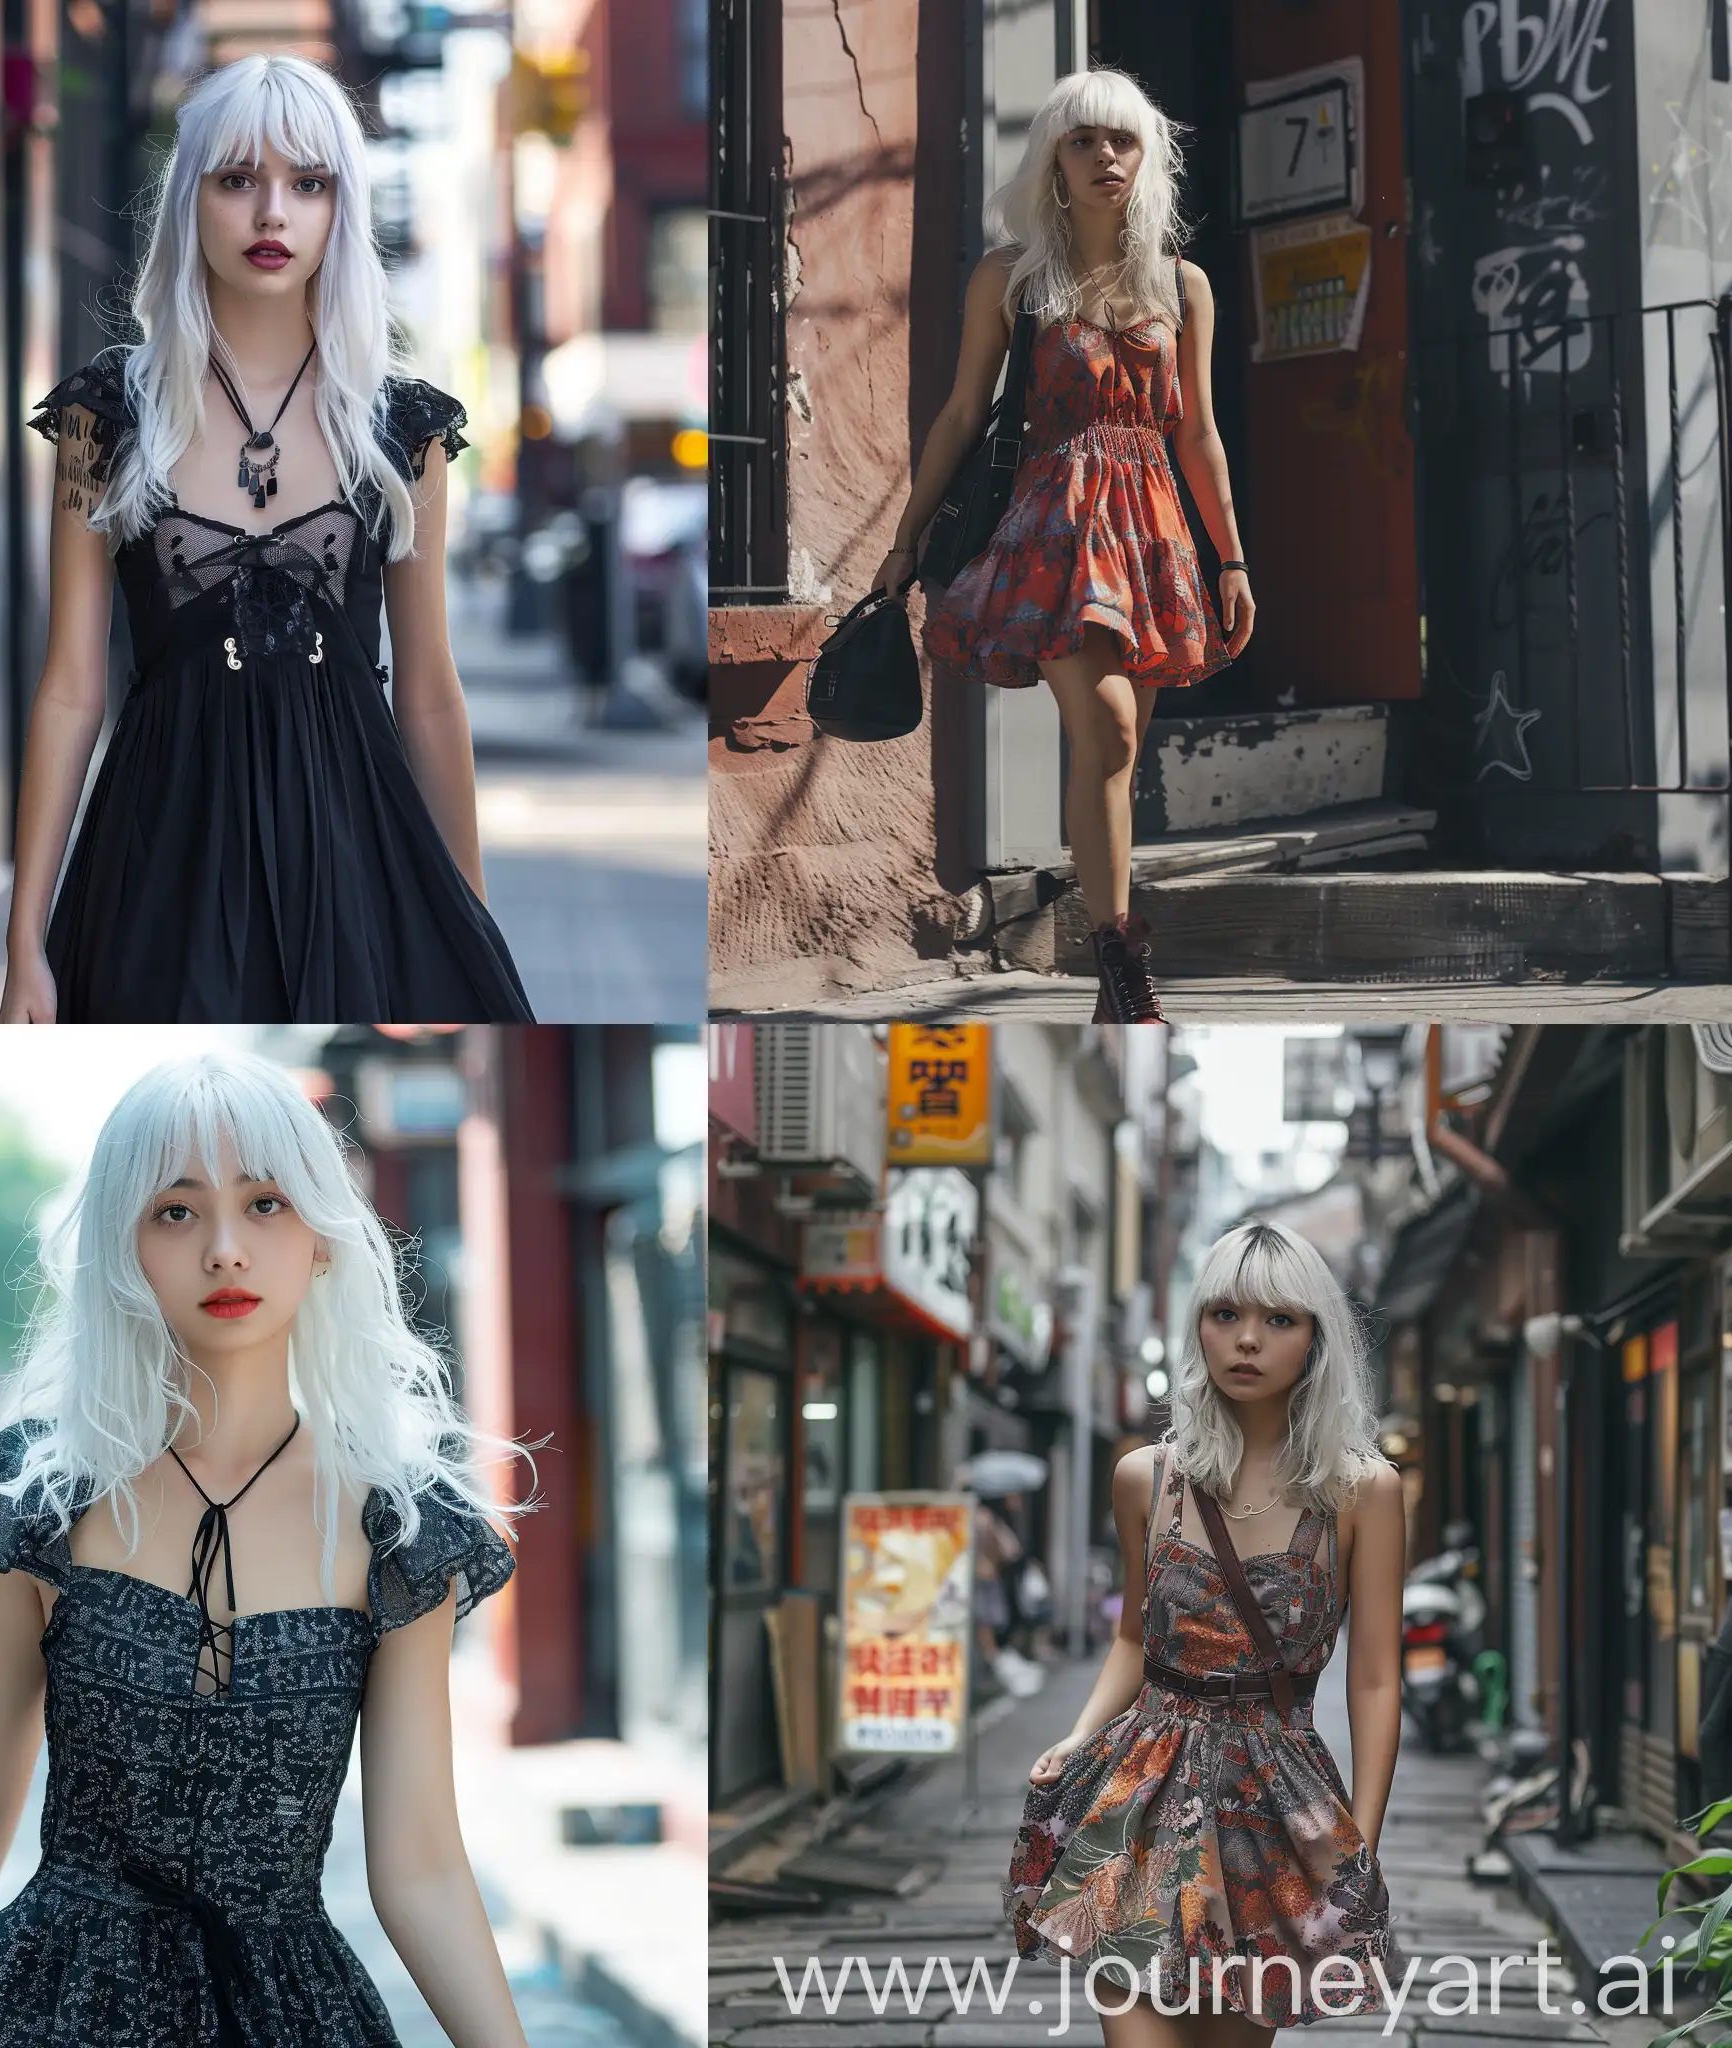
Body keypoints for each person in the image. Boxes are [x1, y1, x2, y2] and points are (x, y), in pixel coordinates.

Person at [0, 1049, 532, 2048]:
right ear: (124, 1244)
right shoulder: (46, 1496)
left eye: (264, 1203)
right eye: (176, 1210)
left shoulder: (395, 1523)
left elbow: (421, 1861)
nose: (225, 1248)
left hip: (288, 2014)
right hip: (50, 2006)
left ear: (319, 1235)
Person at [0, 53, 533, 1025]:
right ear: (189, 199)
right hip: (159, 853)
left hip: (356, 847)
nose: (272, 213)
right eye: (238, 179)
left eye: (308, 183)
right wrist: (21, 940)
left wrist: (467, 926)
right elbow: (71, 686)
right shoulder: (106, 416)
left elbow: (427, 692)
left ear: (342, 208)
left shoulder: (401, 428)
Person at [875, 69, 1256, 1024]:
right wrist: (906, 539)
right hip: (1053, 528)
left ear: (1147, 158)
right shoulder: (1012, 278)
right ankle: (1124, 965)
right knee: (1111, 730)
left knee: (1118, 757)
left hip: (1153, 528)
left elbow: (1198, 433)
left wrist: (1234, 558)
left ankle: (1113, 970)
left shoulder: (1184, 284)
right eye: (1083, 141)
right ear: (1053, 158)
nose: (1105, 158)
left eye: (1122, 141)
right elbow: (963, 413)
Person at [1008, 1221, 1405, 2034]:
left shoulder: (1364, 1491)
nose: (1247, 1340)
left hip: (1276, 1802)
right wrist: (1081, 1736)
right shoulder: (1143, 1480)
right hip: (1146, 1789)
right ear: (1197, 1328)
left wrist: (1364, 1837)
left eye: (1279, 1320)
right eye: (1224, 1315)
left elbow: (1375, 1677)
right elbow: (1132, 1639)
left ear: (1317, 1339)